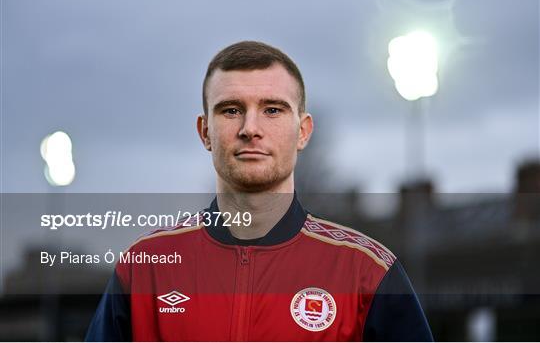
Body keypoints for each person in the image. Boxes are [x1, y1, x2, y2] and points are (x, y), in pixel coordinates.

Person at [85, 41, 433, 341]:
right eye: (231, 110)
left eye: (272, 110)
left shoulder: (367, 273)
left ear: (303, 131)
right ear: (205, 131)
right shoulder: (145, 268)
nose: (250, 128)